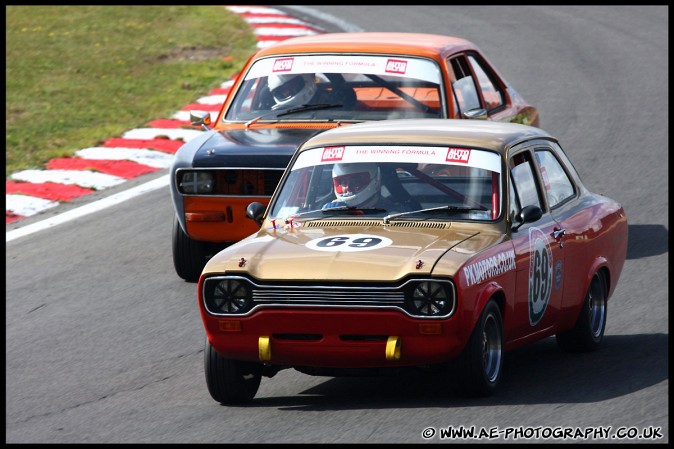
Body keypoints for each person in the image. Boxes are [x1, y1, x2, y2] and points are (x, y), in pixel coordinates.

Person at [323, 163, 397, 210]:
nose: (348, 188)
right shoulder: (332, 208)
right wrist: (325, 215)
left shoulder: (392, 212)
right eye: (344, 183)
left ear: (375, 179)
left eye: (355, 181)